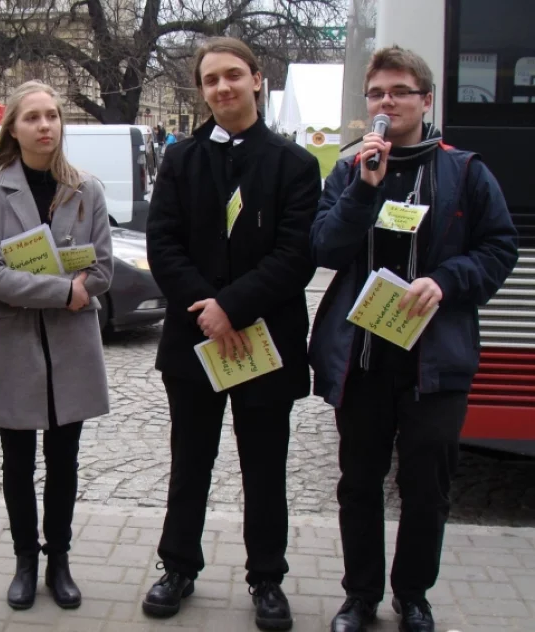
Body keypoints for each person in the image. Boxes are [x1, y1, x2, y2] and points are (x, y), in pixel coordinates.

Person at [309, 46, 518, 632]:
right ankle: (360, 595)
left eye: (399, 91)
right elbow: (325, 248)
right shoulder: (352, 170)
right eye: (376, 94)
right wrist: (364, 190)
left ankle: (413, 594)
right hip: (364, 360)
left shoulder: (466, 170)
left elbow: (500, 250)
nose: (386, 102)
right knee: (358, 484)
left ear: (425, 100)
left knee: (426, 486)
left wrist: (447, 281)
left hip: (435, 363)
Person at [143, 37, 322, 631]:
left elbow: (296, 254)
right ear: (202, 90)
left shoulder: (293, 165)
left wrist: (233, 308)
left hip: (263, 344)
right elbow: (162, 244)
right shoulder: (180, 160)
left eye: (233, 76)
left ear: (256, 80)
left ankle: (267, 577)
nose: (223, 88)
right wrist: (208, 313)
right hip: (195, 344)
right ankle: (178, 567)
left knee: (265, 467)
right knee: (189, 462)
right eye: (211, 80)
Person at [0, 80, 113, 611]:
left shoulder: (86, 190)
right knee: (17, 461)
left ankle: (60, 561)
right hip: (12, 344)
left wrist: (74, 289)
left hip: (70, 345)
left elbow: (101, 271)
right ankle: (25, 559)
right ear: (14, 128)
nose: (45, 125)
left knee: (65, 460)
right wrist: (62, 290)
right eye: (33, 117)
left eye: (52, 115)